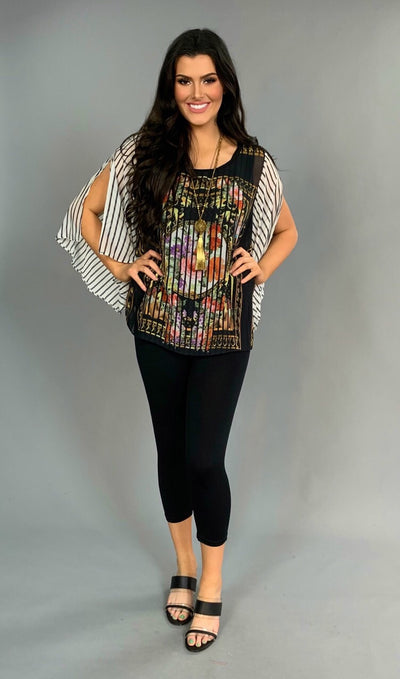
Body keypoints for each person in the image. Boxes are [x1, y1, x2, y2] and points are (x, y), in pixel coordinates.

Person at [57, 27, 298, 653]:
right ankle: (185, 568)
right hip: (157, 330)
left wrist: (260, 268)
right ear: (172, 87)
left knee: (204, 459)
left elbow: (287, 232)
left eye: (208, 79)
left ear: (225, 85)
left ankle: (212, 583)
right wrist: (119, 265)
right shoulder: (144, 152)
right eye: (184, 80)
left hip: (225, 335)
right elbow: (85, 212)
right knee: (170, 451)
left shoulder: (255, 162)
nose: (197, 92)